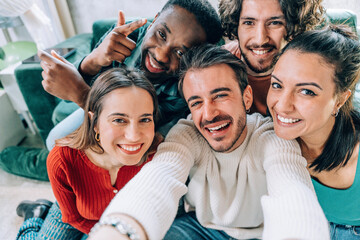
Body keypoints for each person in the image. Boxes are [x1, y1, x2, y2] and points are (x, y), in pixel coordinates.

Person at [88, 45, 329, 240]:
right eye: (196, 103)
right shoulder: (187, 133)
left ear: (246, 98)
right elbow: (160, 177)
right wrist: (117, 231)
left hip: (261, 233)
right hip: (200, 228)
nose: (209, 114)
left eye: (220, 96)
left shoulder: (271, 137)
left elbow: (292, 193)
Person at [0, 0, 222, 181]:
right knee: (54, 141)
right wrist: (91, 62)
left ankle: (38, 165)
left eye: (180, 53)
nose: (161, 54)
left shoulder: (189, 86)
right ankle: (46, 162)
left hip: (135, 134)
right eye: (161, 34)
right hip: (99, 111)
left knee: (85, 165)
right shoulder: (128, 35)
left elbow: (145, 143)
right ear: (154, 20)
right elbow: (96, 85)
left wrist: (80, 93)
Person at [15, 67, 162, 239]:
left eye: (145, 119)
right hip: (76, 215)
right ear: (95, 122)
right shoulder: (62, 158)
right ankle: (34, 215)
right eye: (119, 120)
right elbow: (72, 217)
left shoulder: (159, 155)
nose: (133, 135)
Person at [267, 25, 360, 239]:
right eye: (277, 85)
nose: (282, 105)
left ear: (339, 100)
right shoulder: (269, 138)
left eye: (306, 91)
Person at [218, 0, 324, 115]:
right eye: (249, 23)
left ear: (295, 27)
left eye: (275, 23)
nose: (260, 39)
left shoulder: (313, 69)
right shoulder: (216, 67)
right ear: (236, 25)